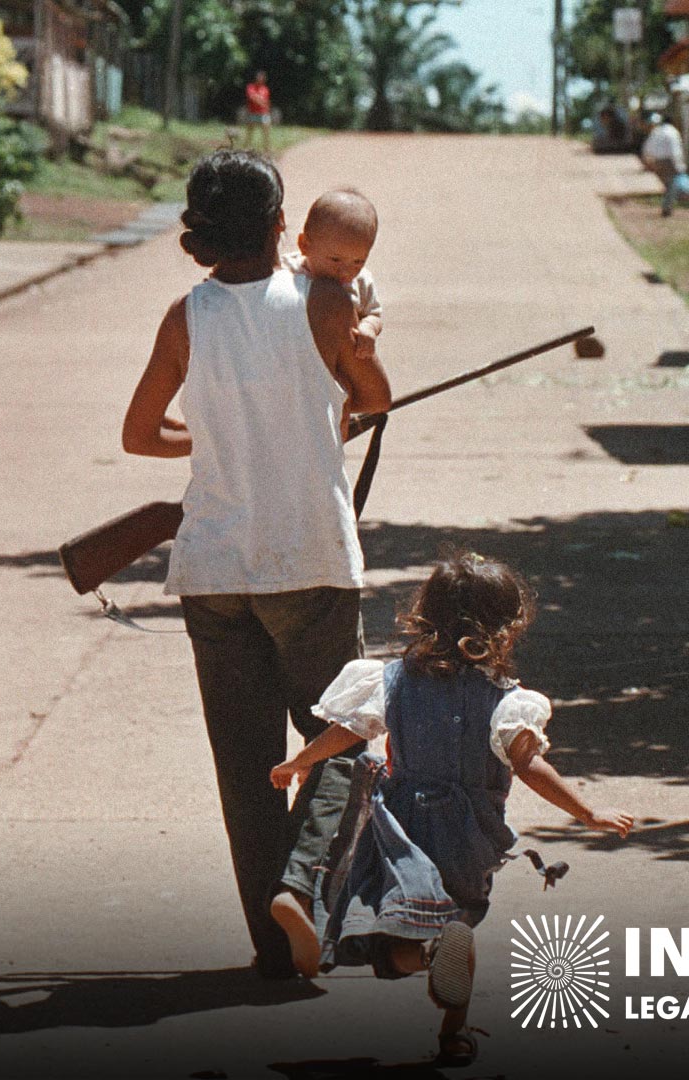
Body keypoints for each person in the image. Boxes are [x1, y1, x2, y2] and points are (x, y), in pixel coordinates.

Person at [122, 150, 391, 979]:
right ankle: (304, 889)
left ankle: (274, 947)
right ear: (282, 227)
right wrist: (358, 349)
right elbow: (375, 397)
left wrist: (215, 434)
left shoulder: (185, 317)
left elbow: (140, 434)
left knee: (247, 768)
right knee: (340, 742)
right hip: (308, 557)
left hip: (213, 571)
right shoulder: (323, 298)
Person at [268, 552, 634, 1065]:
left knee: (396, 928)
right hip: (468, 833)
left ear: (422, 616)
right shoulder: (507, 701)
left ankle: (349, 919)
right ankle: (451, 1031)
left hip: (397, 828)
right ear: (508, 629)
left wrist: (300, 760)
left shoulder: (390, 681)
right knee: (457, 918)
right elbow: (530, 767)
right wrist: (587, 811)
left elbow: (348, 731)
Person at [280, 189, 384, 372]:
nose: (346, 270)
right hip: (293, 362)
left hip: (340, 368)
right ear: (305, 245)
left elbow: (373, 314)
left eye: (358, 261)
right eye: (335, 260)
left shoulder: (361, 281)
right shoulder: (287, 270)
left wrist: (368, 328)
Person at [639, 113, 689, 216]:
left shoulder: (657, 131)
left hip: (657, 162)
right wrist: (679, 165)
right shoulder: (673, 132)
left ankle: (666, 206)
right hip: (669, 162)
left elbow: (647, 148)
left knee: (667, 185)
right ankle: (667, 208)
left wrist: (647, 162)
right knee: (671, 185)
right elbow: (675, 151)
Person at [244, 70, 273, 153]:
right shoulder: (250, 86)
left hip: (263, 113)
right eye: (258, 77)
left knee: (266, 133)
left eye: (261, 77)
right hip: (252, 113)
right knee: (249, 133)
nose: (260, 78)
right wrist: (260, 100)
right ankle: (246, 149)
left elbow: (266, 102)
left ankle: (267, 151)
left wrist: (258, 99)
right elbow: (251, 97)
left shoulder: (265, 89)